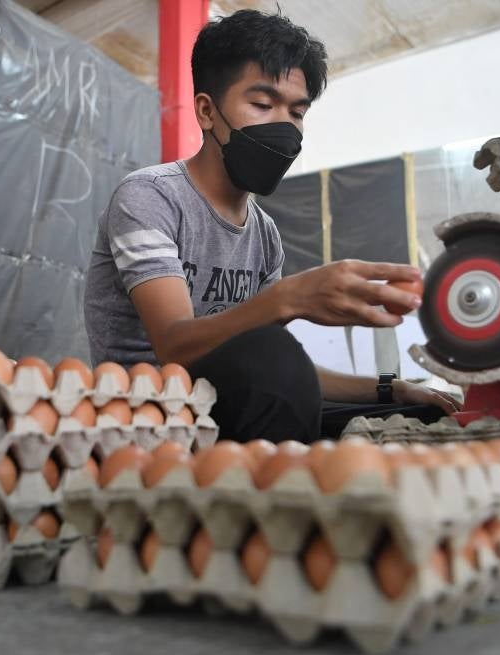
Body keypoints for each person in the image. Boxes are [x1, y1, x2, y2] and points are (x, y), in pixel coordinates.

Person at [84, 9, 460, 443]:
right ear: (206, 111)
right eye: (262, 105)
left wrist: (390, 387)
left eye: (296, 112)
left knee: (413, 415)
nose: (283, 126)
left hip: (228, 407)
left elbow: (288, 374)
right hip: (150, 419)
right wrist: (290, 297)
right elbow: (175, 346)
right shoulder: (150, 197)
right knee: (272, 354)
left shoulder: (264, 235)